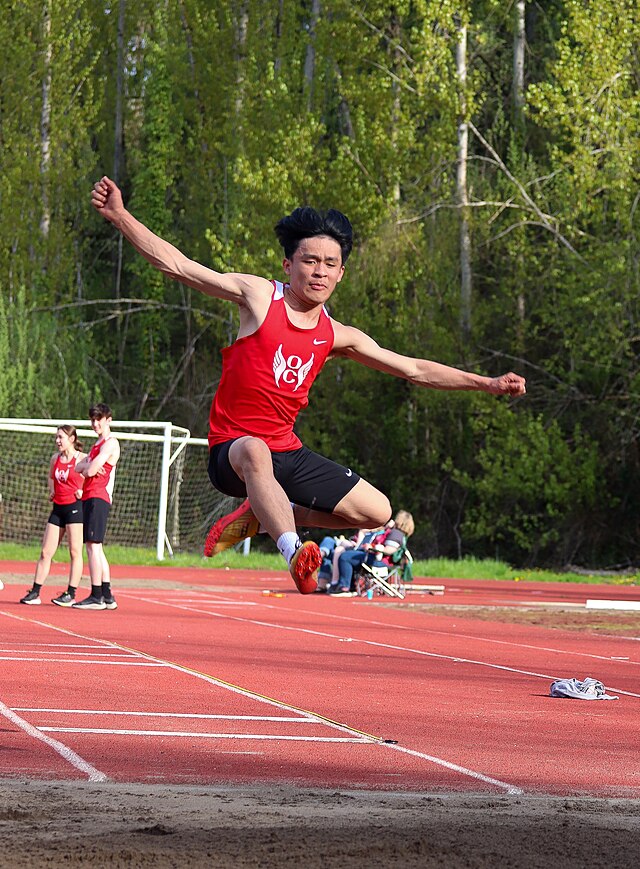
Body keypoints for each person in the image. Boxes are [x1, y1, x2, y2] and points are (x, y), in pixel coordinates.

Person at [91, 176, 526, 595]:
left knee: (377, 512)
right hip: (233, 451)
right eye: (309, 261)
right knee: (256, 449)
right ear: (288, 264)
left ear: (341, 275)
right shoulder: (260, 297)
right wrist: (120, 216)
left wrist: (485, 382)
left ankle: (264, 515)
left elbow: (413, 369)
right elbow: (179, 266)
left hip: (286, 452)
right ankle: (293, 552)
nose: (319, 271)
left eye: (330, 264)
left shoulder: (338, 335)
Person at [20, 426, 86, 606]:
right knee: (45, 552)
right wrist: (52, 490)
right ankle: (35, 592)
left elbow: (94, 476)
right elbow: (51, 477)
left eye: (60, 438)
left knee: (74, 551)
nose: (57, 441)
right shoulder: (55, 458)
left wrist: (83, 491)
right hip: (58, 508)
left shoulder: (81, 458)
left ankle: (71, 593)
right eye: (56, 437)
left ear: (71, 439)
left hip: (75, 508)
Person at [72, 404, 120, 611]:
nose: (95, 423)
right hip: (90, 496)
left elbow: (89, 469)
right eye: (92, 420)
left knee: (92, 546)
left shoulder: (111, 443)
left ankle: (96, 594)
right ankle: (107, 595)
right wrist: (88, 467)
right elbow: (78, 467)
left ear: (108, 420)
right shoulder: (96, 444)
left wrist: (89, 467)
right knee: (96, 547)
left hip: (99, 496)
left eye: (99, 419)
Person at [331, 512, 414, 595]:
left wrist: (372, 548)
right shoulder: (399, 534)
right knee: (351, 554)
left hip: (379, 561)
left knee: (345, 557)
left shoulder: (396, 534)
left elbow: (389, 550)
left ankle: (344, 587)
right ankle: (350, 586)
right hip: (378, 558)